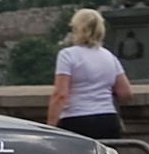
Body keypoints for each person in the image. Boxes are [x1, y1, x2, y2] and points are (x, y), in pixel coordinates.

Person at [47, 9, 132, 140]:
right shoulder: (109, 56)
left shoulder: (67, 55)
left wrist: (51, 126)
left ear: (77, 29)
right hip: (108, 118)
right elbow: (125, 93)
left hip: (76, 119)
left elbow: (60, 95)